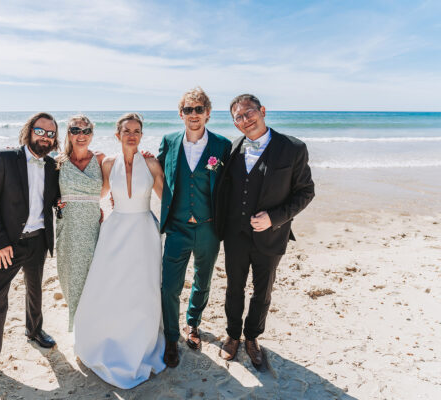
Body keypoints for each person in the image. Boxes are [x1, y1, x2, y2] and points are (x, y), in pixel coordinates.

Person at [0, 112, 61, 395]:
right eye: (40, 131)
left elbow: (52, 199)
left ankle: (34, 330)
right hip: (8, 244)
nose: (45, 137)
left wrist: (62, 205)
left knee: (35, 290)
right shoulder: (3, 158)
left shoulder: (53, 165)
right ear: (29, 131)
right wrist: (0, 243)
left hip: (38, 241)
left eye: (50, 133)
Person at [215, 94, 315, 367]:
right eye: (239, 117)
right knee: (233, 287)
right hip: (235, 235)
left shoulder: (293, 148)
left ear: (262, 112)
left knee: (263, 291)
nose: (245, 120)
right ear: (235, 123)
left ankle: (252, 338)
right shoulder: (232, 149)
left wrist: (275, 218)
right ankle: (233, 335)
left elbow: (306, 192)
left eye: (249, 113)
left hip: (271, 235)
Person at [74, 113, 166, 389]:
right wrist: (67, 199)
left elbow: (167, 198)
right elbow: (99, 193)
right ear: (117, 135)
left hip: (144, 231)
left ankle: (141, 339)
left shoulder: (151, 164)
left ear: (141, 135)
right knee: (109, 285)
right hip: (115, 229)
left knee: (142, 287)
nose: (132, 135)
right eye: (127, 131)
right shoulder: (108, 163)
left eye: (137, 131)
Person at [157, 87, 232, 368]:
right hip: (177, 228)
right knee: (169, 286)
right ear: (181, 114)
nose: (194, 115)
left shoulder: (222, 145)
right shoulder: (169, 141)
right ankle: (171, 338)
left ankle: (192, 324)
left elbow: (231, 185)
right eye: (188, 110)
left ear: (208, 114)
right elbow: (157, 173)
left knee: (203, 279)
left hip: (208, 228)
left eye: (199, 109)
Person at [55, 115, 106, 332]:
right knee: (72, 278)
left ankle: (94, 324)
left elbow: (129, 167)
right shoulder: (58, 162)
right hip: (69, 227)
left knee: (95, 277)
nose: (81, 135)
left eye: (86, 131)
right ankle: (78, 326)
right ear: (69, 134)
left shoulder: (102, 159)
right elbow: (41, 188)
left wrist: (148, 156)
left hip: (94, 227)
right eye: (75, 130)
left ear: (92, 134)